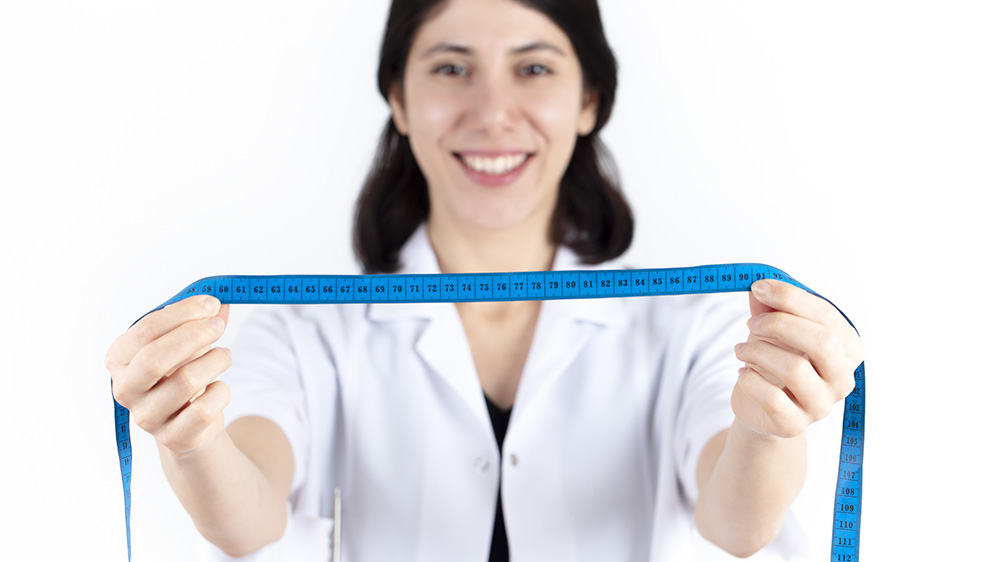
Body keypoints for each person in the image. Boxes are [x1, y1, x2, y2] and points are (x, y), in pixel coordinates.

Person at [104, 0, 865, 560]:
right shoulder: (307, 329)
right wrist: (194, 440)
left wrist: (768, 428)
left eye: (533, 68)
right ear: (398, 100)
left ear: (589, 101)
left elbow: (739, 524)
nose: (492, 112)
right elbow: (250, 516)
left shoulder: (691, 323)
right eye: (450, 68)